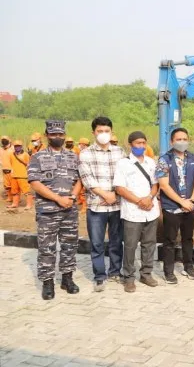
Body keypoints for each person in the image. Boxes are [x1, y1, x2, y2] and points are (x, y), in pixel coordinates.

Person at [27, 120, 82, 300]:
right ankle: (47, 282)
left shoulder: (73, 156)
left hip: (69, 210)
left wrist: (72, 197)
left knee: (69, 246)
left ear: (64, 135)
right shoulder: (38, 157)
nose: (57, 137)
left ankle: (67, 278)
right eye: (53, 134)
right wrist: (58, 199)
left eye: (60, 134)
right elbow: (35, 182)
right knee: (47, 248)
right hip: (48, 211)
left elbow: (80, 180)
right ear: (47, 135)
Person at [78, 116, 126, 292]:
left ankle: (115, 272)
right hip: (96, 206)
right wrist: (106, 194)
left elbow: (124, 176)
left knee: (116, 241)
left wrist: (115, 194)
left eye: (106, 131)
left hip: (117, 206)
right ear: (93, 133)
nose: (103, 134)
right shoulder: (85, 154)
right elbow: (87, 179)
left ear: (111, 132)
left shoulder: (120, 152)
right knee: (97, 243)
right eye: (100, 131)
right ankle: (99, 276)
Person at [113, 131, 160, 293]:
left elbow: (156, 184)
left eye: (143, 143)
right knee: (131, 246)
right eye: (137, 143)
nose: (141, 146)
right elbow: (119, 188)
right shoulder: (123, 164)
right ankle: (129, 278)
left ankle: (146, 274)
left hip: (151, 210)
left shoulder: (151, 162)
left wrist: (149, 197)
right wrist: (139, 201)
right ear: (130, 145)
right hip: (133, 211)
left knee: (149, 244)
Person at [156, 127, 194, 284]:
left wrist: (192, 200)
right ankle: (168, 271)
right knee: (170, 240)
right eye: (178, 139)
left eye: (184, 139)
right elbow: (164, 185)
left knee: (188, 238)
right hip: (172, 207)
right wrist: (182, 202)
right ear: (171, 141)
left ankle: (188, 266)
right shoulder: (164, 160)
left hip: (190, 206)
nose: (182, 142)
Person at [8, 139, 33, 210]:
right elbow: (11, 164)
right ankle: (15, 204)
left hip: (23, 176)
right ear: (14, 146)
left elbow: (28, 165)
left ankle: (29, 204)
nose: (17, 147)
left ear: (21, 146)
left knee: (27, 192)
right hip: (14, 176)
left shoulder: (25, 155)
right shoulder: (11, 155)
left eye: (18, 146)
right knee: (14, 191)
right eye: (16, 146)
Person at [1, 135, 12, 202]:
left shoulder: (13, 148)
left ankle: (16, 199)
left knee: (14, 185)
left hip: (12, 170)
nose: (3, 141)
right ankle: (9, 197)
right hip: (4, 169)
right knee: (6, 185)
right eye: (2, 140)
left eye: (5, 139)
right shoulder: (1, 149)